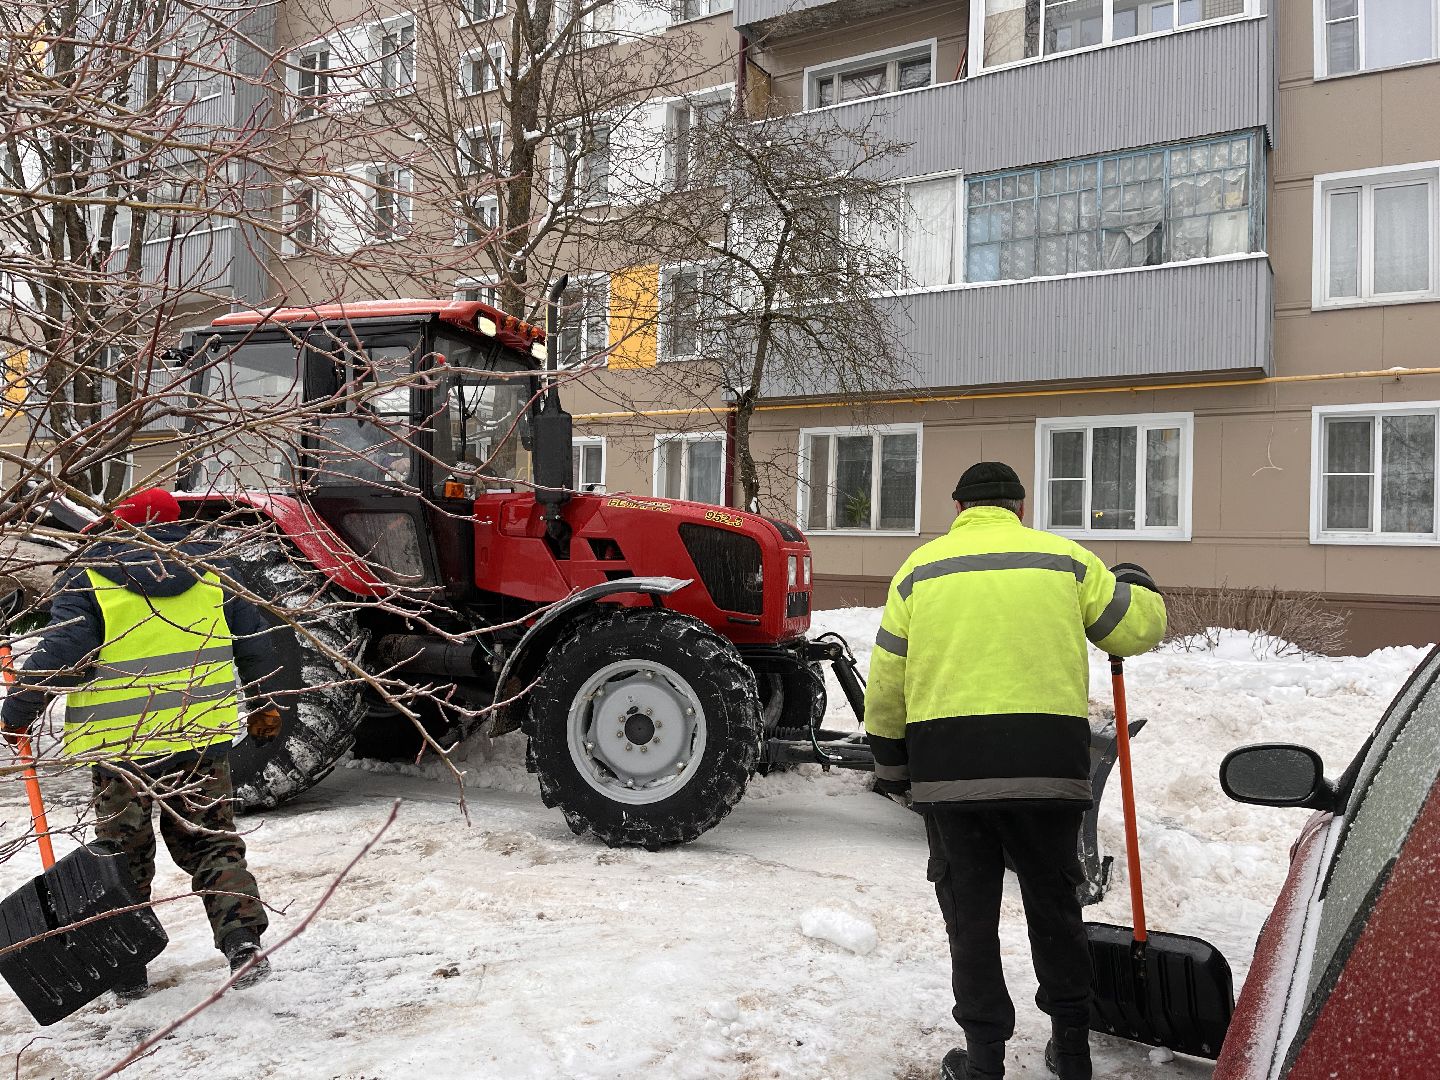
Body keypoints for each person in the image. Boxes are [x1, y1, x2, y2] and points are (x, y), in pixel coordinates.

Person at [864, 462, 1166, 1080]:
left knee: (970, 920)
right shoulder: (1065, 561)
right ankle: (1072, 1051)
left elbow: (888, 678)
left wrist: (893, 767)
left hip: (950, 775)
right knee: (1055, 910)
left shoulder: (921, 569)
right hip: (1047, 771)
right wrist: (1139, 586)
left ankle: (983, 1062)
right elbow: (1135, 630)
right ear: (1019, 509)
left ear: (959, 510)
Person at [1, 488, 284, 998]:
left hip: (123, 747)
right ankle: (241, 938)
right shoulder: (214, 568)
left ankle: (127, 967)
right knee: (211, 841)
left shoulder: (90, 573)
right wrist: (264, 703)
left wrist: (17, 711)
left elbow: (64, 652)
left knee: (122, 854)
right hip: (199, 735)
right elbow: (255, 644)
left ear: (117, 522)